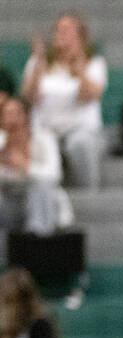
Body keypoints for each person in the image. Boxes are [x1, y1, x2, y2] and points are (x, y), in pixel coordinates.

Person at [20, 13, 107, 190]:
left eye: (66, 30)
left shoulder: (94, 64)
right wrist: (38, 63)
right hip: (45, 128)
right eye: (57, 30)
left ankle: (89, 194)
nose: (60, 34)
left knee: (80, 143)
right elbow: (30, 99)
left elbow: (87, 97)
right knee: (44, 146)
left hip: (80, 129)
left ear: (80, 36)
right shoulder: (37, 63)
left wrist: (79, 65)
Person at [0, 96, 67, 236]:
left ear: (26, 116)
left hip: (38, 200)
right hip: (8, 201)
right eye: (5, 114)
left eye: (14, 113)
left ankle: (37, 240)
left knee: (42, 186)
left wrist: (25, 166)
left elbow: (53, 175)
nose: (10, 119)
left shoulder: (44, 139)